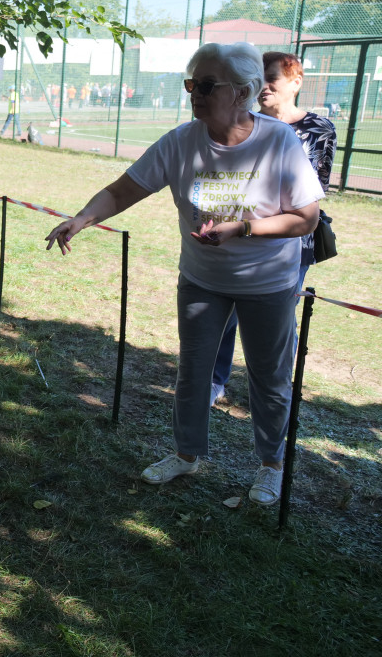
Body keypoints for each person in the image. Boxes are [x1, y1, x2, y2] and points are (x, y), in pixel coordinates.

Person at [45, 42, 323, 507]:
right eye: (192, 84)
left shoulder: (277, 141)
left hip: (268, 284)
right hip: (201, 281)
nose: (195, 93)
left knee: (268, 379)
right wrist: (82, 218)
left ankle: (270, 465)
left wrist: (245, 229)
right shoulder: (181, 141)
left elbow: (306, 219)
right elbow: (121, 191)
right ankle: (186, 454)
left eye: (207, 85)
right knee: (193, 374)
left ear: (242, 92)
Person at [210, 51, 337, 405]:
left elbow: (317, 188)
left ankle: (276, 391)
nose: (264, 87)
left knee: (280, 320)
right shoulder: (245, 122)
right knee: (226, 315)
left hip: (294, 239)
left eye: (272, 79)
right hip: (238, 235)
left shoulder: (319, 129)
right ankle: (215, 381)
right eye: (259, 79)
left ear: (295, 82)